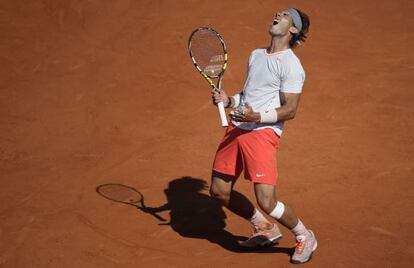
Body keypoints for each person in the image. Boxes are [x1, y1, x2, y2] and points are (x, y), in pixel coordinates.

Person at [210, 8, 317, 264]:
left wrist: (257, 117)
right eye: (279, 12)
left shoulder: (291, 65)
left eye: (286, 15)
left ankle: (304, 235)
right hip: (237, 127)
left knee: (267, 200)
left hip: (261, 133)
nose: (278, 14)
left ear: (293, 30)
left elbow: (289, 110)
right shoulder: (256, 54)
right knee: (219, 191)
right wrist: (229, 100)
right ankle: (264, 227)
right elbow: (248, 97)